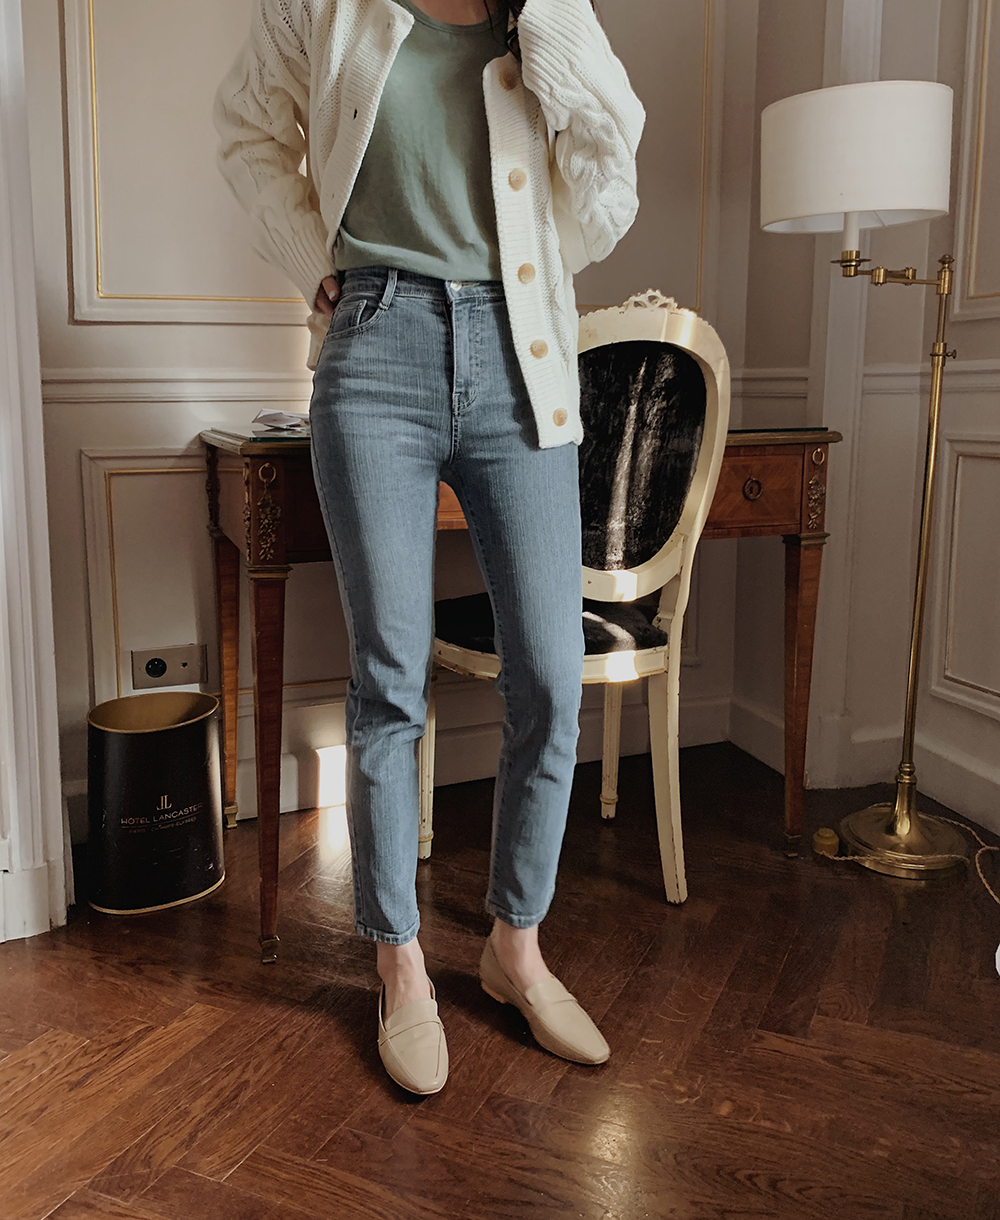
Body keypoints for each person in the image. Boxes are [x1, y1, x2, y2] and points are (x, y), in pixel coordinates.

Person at [215, 0, 644, 1095]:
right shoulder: (324, 7)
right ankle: (398, 960)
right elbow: (247, 128)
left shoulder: (537, 13)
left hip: (521, 347)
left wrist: (550, 21)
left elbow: (611, 164)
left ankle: (516, 946)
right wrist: (311, 255)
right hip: (376, 342)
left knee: (551, 673)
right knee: (389, 677)